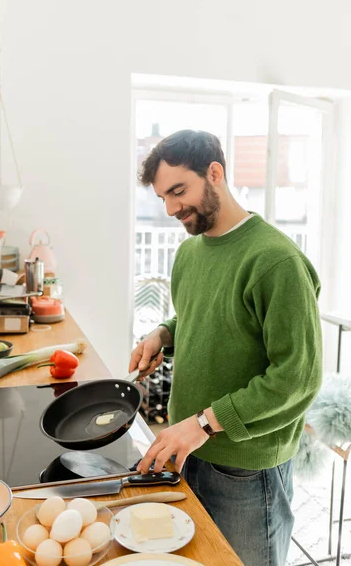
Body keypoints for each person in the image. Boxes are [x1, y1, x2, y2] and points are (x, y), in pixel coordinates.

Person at [128, 129, 322, 566]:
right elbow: (207, 317)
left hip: (245, 470)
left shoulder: (276, 261)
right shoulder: (191, 252)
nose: (171, 208)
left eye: (179, 191)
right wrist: (164, 333)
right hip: (187, 448)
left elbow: (298, 377)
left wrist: (204, 422)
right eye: (162, 197)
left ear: (215, 173)